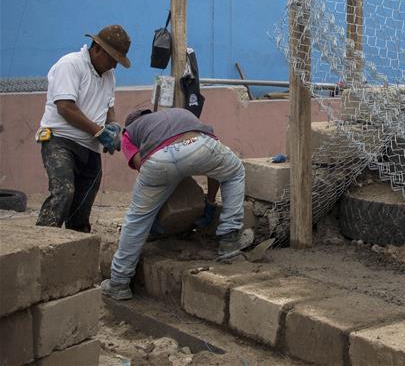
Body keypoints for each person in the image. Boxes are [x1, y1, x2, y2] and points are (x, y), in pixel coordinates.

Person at [101, 108, 252, 300]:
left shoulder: (129, 133)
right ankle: (229, 245)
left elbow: (142, 165)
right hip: (200, 145)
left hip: (158, 160)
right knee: (234, 172)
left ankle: (119, 283)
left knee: (137, 219)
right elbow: (216, 169)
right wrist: (210, 201)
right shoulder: (178, 113)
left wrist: (167, 184)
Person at [35, 25, 131, 232]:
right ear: (97, 49)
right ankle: (42, 243)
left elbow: (108, 106)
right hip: (60, 140)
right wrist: (98, 131)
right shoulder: (70, 65)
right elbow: (65, 107)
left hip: (89, 146)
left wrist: (113, 125)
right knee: (64, 192)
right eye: (112, 58)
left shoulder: (108, 76)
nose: (114, 65)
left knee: (83, 202)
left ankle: (75, 249)